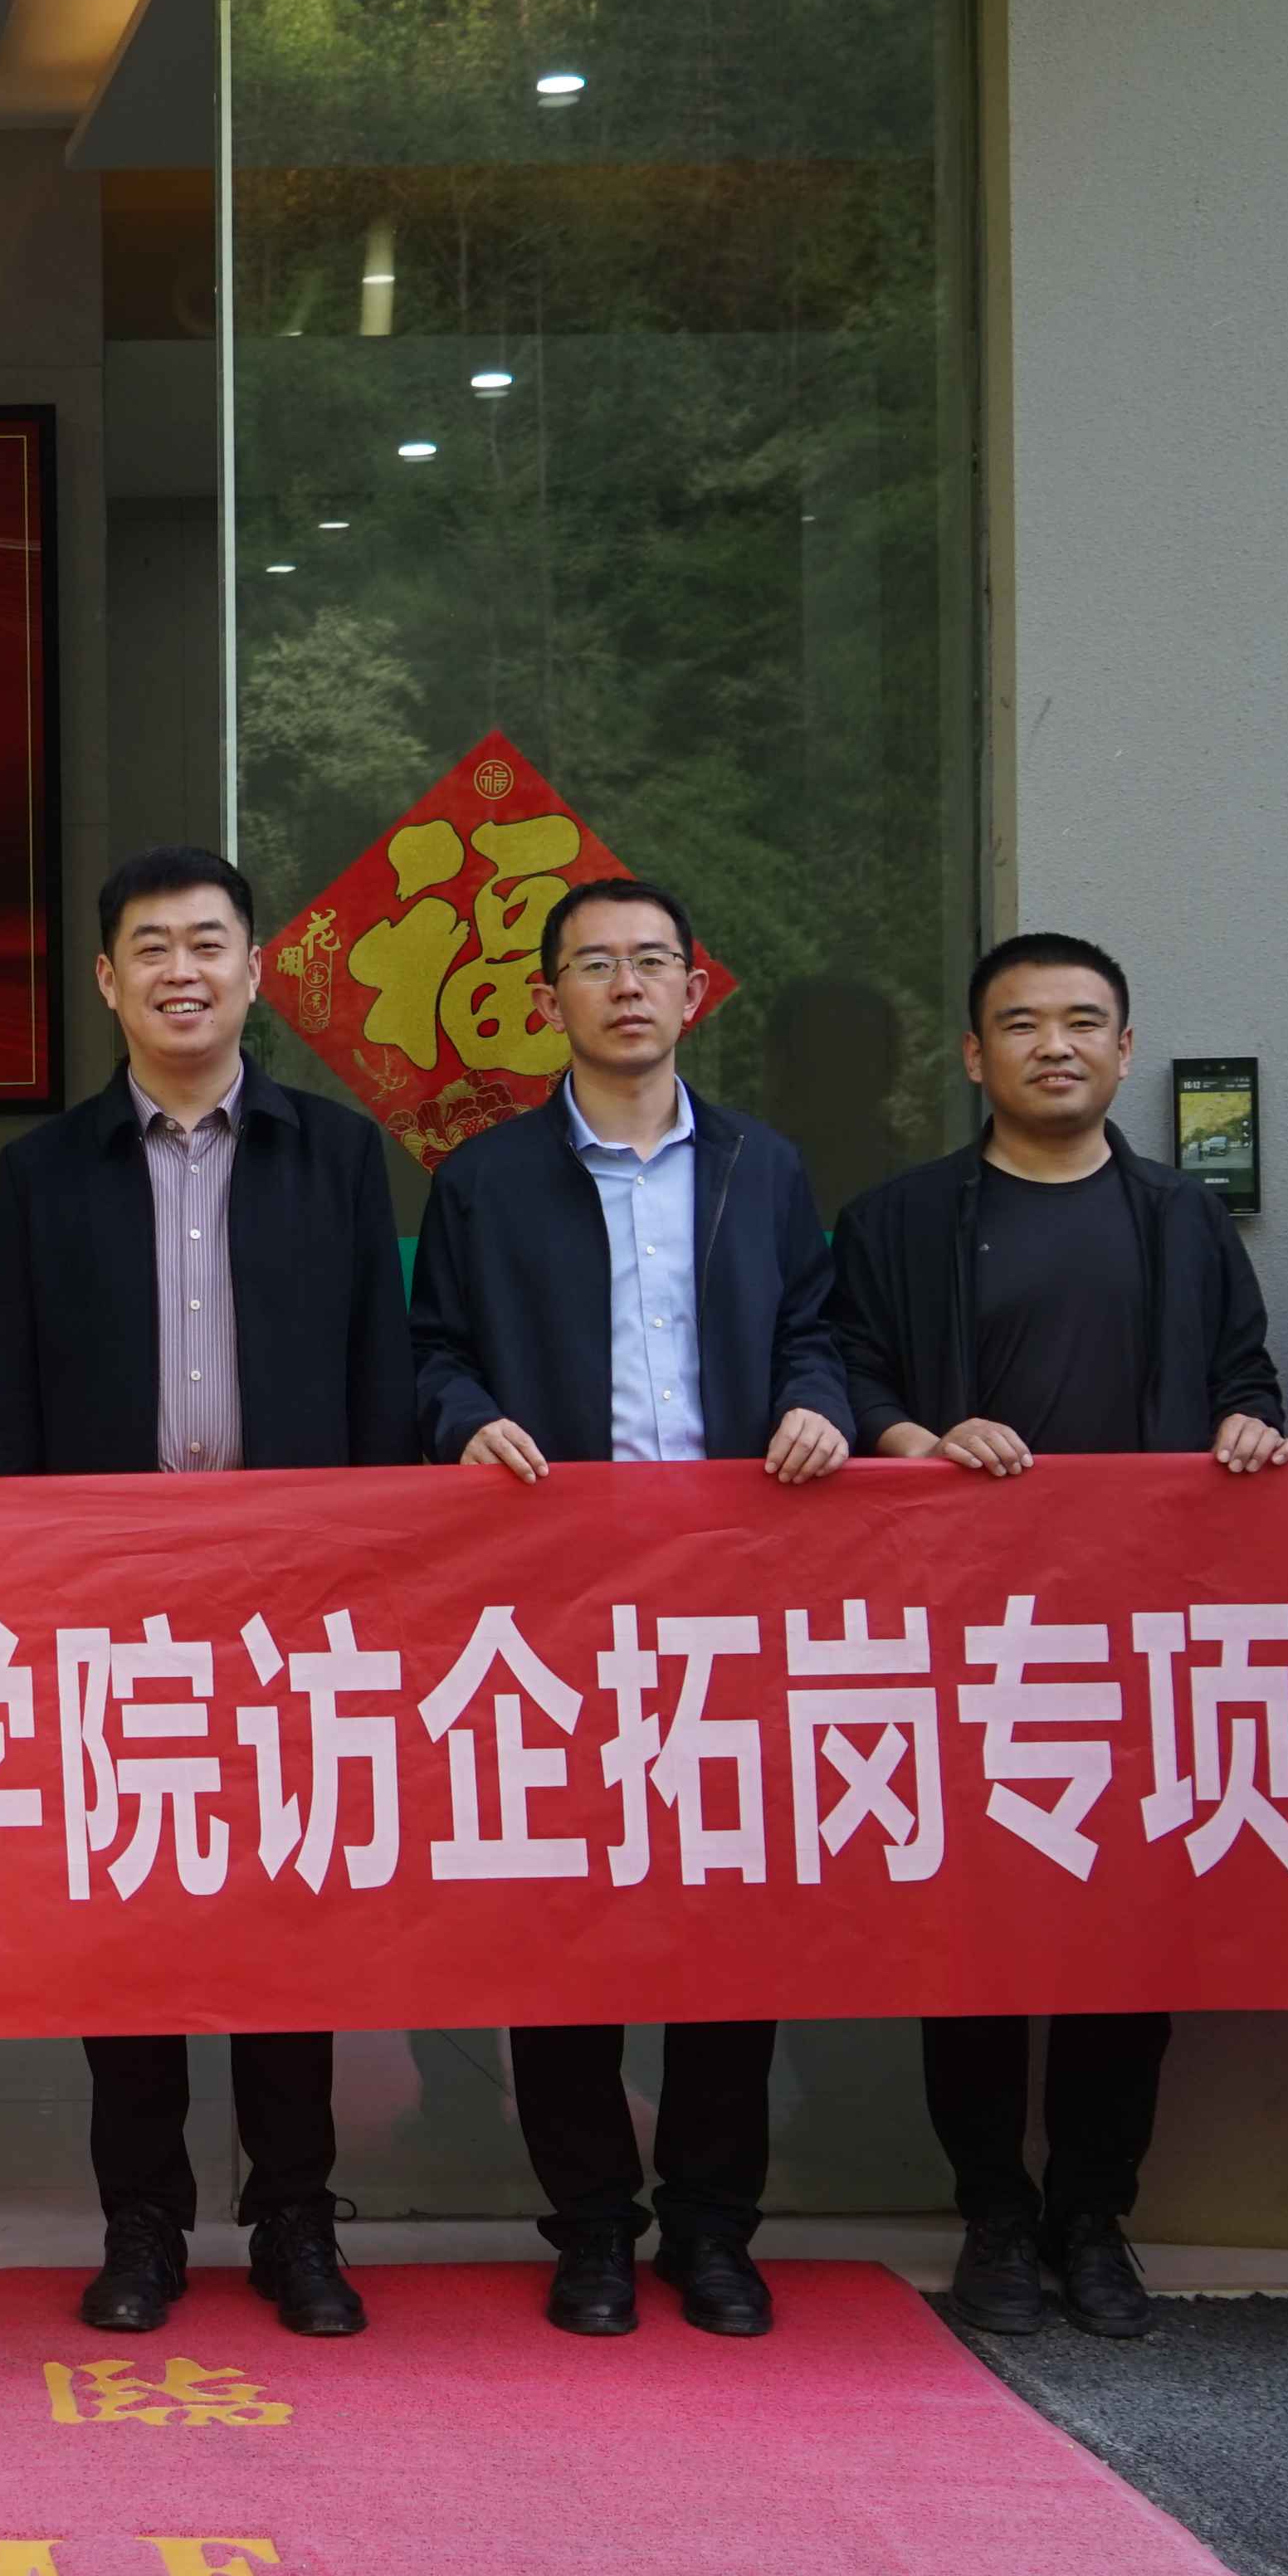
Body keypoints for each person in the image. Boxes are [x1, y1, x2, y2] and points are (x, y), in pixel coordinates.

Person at [0, 847, 417, 2342]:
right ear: (108, 981)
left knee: (289, 1908)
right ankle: (143, 2221)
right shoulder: (42, 1173)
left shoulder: (336, 1155)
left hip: (297, 1596)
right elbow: (9, 1405)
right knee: (131, 1914)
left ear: (255, 970)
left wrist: (372, 1583)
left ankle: (296, 2217)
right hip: (112, 1599)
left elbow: (379, 1382)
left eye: (209, 943)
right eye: (151, 947)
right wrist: (23, 1600)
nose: (182, 970)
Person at [828, 933, 1288, 2341]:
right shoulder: (902, 1219)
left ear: (1124, 1051)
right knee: (974, 1938)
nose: (1056, 1046)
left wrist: (1248, 1426)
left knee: (1122, 1943)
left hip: (1141, 1637)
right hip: (965, 1638)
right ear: (976, 1057)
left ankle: (1094, 2216)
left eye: (1084, 1023)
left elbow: (1251, 1377)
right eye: (1023, 1024)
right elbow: (846, 1372)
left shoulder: (1182, 1219)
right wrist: (916, 1439)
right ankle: (992, 2213)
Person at [412, 876, 851, 2339]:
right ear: (550, 1001)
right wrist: (465, 1420)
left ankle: (714, 2227)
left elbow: (817, 1330)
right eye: (594, 966)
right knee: (566, 1921)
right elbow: (430, 1352)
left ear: (693, 990)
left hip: (732, 1598)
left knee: (726, 1923)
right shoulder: (486, 1180)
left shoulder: (763, 1168)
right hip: (553, 1599)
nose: (626, 987)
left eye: (652, 961)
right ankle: (593, 2224)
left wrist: (816, 1404)